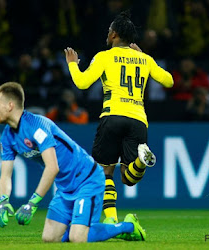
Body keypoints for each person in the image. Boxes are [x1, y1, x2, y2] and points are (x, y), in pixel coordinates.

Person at [0, 81, 146, 242]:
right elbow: (5, 175)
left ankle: (128, 226)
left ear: (10, 105)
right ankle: (80, 227)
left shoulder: (37, 126)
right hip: (65, 187)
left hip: (87, 179)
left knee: (78, 238)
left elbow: (52, 168)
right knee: (49, 238)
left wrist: (32, 203)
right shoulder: (7, 137)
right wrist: (3, 201)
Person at [64, 11, 173, 224]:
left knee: (105, 171)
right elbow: (168, 81)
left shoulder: (104, 56)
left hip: (112, 116)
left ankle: (111, 220)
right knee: (128, 177)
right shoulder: (144, 59)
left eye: (108, 31)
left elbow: (83, 83)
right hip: (138, 119)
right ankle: (141, 162)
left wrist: (72, 64)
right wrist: (145, 57)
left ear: (114, 34)